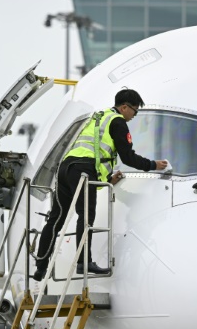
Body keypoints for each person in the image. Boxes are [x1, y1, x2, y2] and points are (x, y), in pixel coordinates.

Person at [32, 89, 169, 281]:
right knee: (86, 215)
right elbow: (128, 157)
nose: (134, 116)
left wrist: (105, 180)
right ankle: (83, 262)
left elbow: (94, 150)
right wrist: (153, 165)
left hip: (66, 168)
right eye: (134, 111)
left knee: (56, 219)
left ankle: (41, 266)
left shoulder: (99, 116)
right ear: (124, 107)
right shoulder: (118, 121)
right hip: (83, 170)